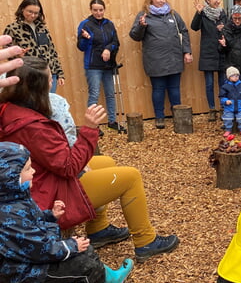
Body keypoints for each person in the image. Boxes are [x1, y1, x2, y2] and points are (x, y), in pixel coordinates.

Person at [0, 56, 180, 263]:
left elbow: (55, 158)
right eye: (49, 78)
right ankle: (146, 241)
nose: (52, 82)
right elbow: (68, 167)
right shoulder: (32, 126)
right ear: (36, 88)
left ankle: (99, 230)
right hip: (49, 192)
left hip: (39, 178)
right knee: (131, 176)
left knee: (107, 163)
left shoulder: (10, 109)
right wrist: (89, 129)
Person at [0, 142, 133, 283]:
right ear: (9, 177)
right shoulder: (10, 214)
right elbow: (38, 249)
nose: (33, 172)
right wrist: (70, 246)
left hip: (32, 258)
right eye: (27, 169)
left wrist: (50, 216)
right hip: (23, 270)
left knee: (85, 250)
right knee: (87, 264)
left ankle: (109, 281)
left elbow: (32, 223)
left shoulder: (15, 198)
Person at [129, 0, 193, 129]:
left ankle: (178, 116)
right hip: (155, 60)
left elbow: (184, 32)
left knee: (174, 89)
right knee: (158, 89)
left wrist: (187, 52)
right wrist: (141, 26)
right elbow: (135, 36)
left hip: (174, 58)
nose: (162, 1)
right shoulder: (144, 15)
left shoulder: (173, 15)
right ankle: (159, 118)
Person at [77, 0, 124, 133]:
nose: (98, 13)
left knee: (110, 93)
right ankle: (93, 126)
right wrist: (85, 39)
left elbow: (116, 41)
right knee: (94, 94)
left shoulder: (109, 24)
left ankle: (112, 121)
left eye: (101, 10)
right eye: (95, 10)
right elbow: (81, 47)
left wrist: (108, 49)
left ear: (104, 9)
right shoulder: (85, 24)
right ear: (91, 10)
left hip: (108, 65)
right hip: (93, 66)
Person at [3, 0, 65, 92]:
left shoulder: (43, 28)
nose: (33, 15)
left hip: (48, 73)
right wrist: (17, 55)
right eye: (30, 12)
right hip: (29, 74)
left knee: (49, 103)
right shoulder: (12, 29)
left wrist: (60, 73)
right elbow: (7, 52)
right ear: (22, 9)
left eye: (36, 13)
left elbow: (52, 52)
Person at [191, 0, 227, 121]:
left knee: (223, 83)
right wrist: (199, 13)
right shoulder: (203, 13)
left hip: (221, 52)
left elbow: (229, 30)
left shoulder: (222, 13)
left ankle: (224, 108)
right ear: (208, 1)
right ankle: (212, 109)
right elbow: (194, 27)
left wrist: (223, 28)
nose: (217, 1)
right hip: (208, 52)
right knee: (209, 84)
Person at [219, 66, 241, 133]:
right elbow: (222, 96)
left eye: (237, 75)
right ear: (229, 77)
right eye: (233, 76)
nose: (236, 77)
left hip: (240, 106)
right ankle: (228, 130)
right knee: (227, 118)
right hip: (229, 107)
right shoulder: (225, 86)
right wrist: (226, 101)